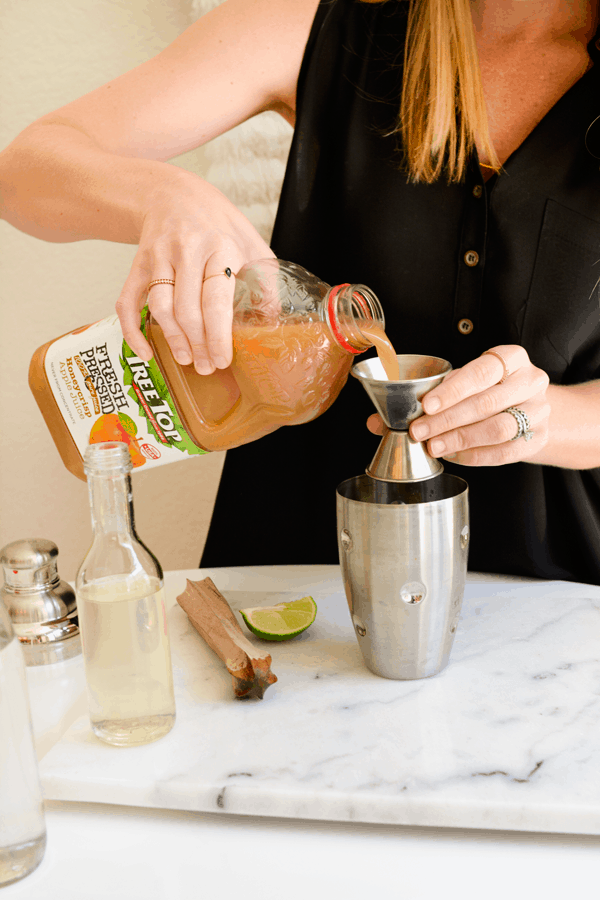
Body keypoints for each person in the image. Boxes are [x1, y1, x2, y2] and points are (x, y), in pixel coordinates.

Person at [1, 0, 600, 581]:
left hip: (559, 595)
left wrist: (549, 419)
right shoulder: (321, 20)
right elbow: (23, 171)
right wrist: (164, 197)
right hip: (304, 575)